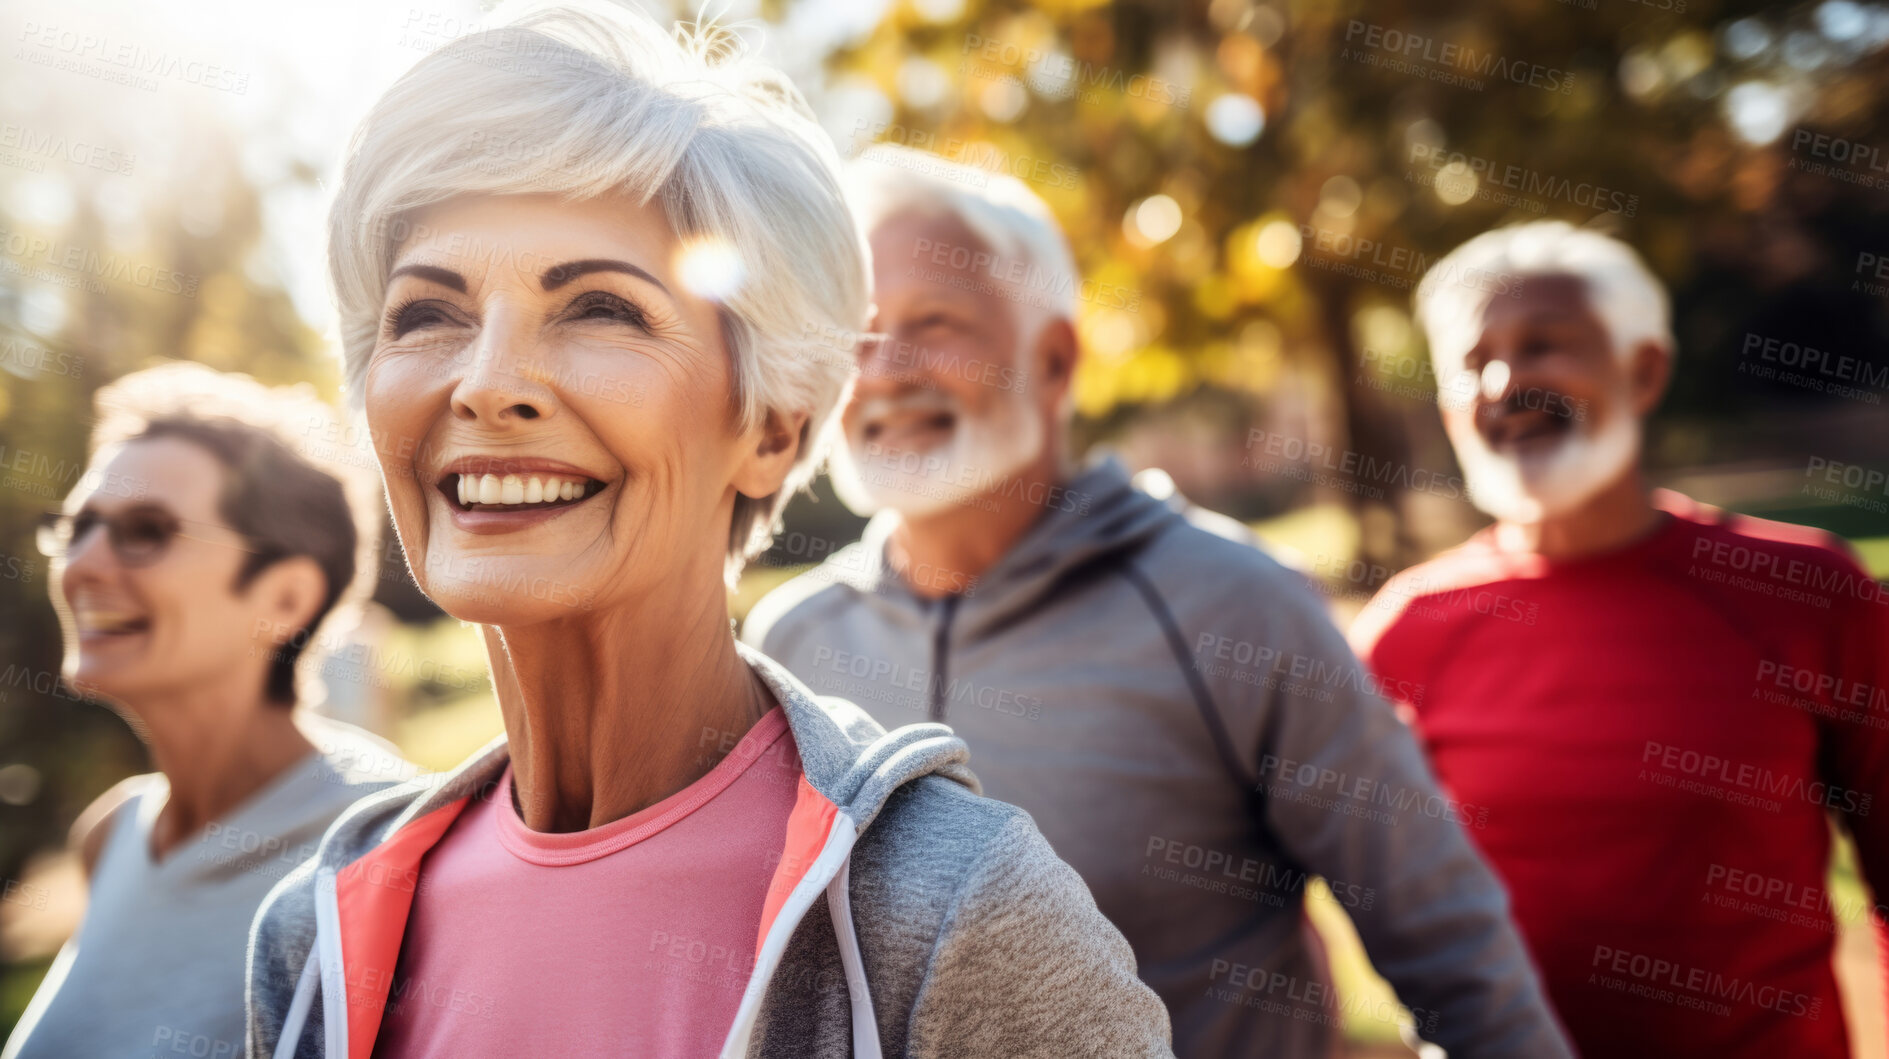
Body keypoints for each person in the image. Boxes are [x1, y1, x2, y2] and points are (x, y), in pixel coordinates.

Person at [246, 4, 1174, 1057]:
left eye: (600, 309)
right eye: (426, 314)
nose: (487, 383)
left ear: (772, 429)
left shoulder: (952, 911)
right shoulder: (311, 933)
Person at [742, 146, 1573, 1058]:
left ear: (1052, 360)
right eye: (857, 336)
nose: (885, 369)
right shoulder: (791, 641)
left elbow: (1454, 955)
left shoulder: (1233, 605)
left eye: (932, 322)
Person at [1350, 220, 1889, 1058]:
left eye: (1542, 344)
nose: (1504, 380)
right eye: (1470, 360)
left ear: (1644, 370)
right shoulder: (1404, 628)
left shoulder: (1808, 593)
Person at [2, 364, 414, 1059]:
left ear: (284, 599)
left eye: (147, 530)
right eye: (77, 527)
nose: (84, 565)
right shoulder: (111, 834)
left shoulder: (384, 846)